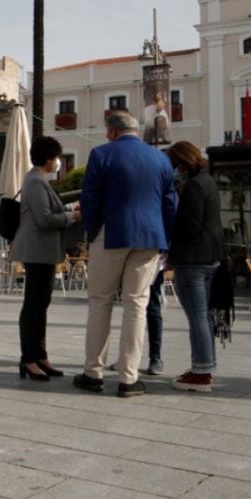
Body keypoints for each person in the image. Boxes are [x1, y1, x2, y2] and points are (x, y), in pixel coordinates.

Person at [74, 112, 177, 398]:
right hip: (150, 237)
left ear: (113, 131)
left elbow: (89, 198)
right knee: (137, 305)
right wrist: (164, 240)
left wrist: (93, 231)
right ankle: (129, 379)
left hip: (111, 232)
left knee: (100, 301)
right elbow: (171, 203)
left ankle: (93, 372)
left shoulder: (101, 155)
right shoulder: (161, 159)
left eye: (107, 130)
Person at [10, 135, 82, 381]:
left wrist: (70, 208)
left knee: (41, 305)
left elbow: (50, 210)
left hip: (44, 252)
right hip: (37, 251)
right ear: (50, 159)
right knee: (34, 306)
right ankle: (28, 359)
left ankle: (40, 355)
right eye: (58, 157)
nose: (59, 162)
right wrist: (73, 218)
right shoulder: (35, 182)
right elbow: (45, 219)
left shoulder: (38, 180)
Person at [165, 140, 225, 393]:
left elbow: (189, 226)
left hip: (192, 260)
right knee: (204, 316)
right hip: (212, 257)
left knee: (197, 316)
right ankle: (205, 366)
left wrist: (169, 242)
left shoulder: (193, 187)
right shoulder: (208, 181)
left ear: (181, 162)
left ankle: (201, 372)